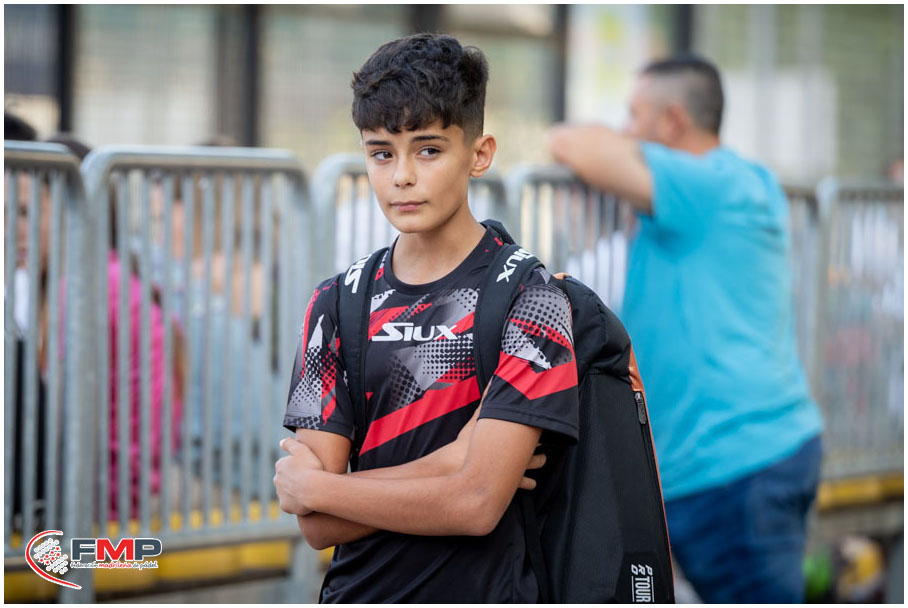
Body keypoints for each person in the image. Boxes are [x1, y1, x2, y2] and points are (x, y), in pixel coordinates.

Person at [274, 33, 580, 603]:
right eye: (381, 153)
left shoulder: (533, 299)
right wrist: (452, 463)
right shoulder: (335, 303)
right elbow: (316, 525)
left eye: (429, 150)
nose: (402, 176)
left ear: (480, 154)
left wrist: (320, 487)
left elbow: (476, 506)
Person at [547, 54, 823, 603]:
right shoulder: (741, 181)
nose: (627, 130)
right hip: (753, 458)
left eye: (635, 115)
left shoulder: (704, 186)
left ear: (673, 121)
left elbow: (572, 144)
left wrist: (607, 143)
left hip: (733, 472)